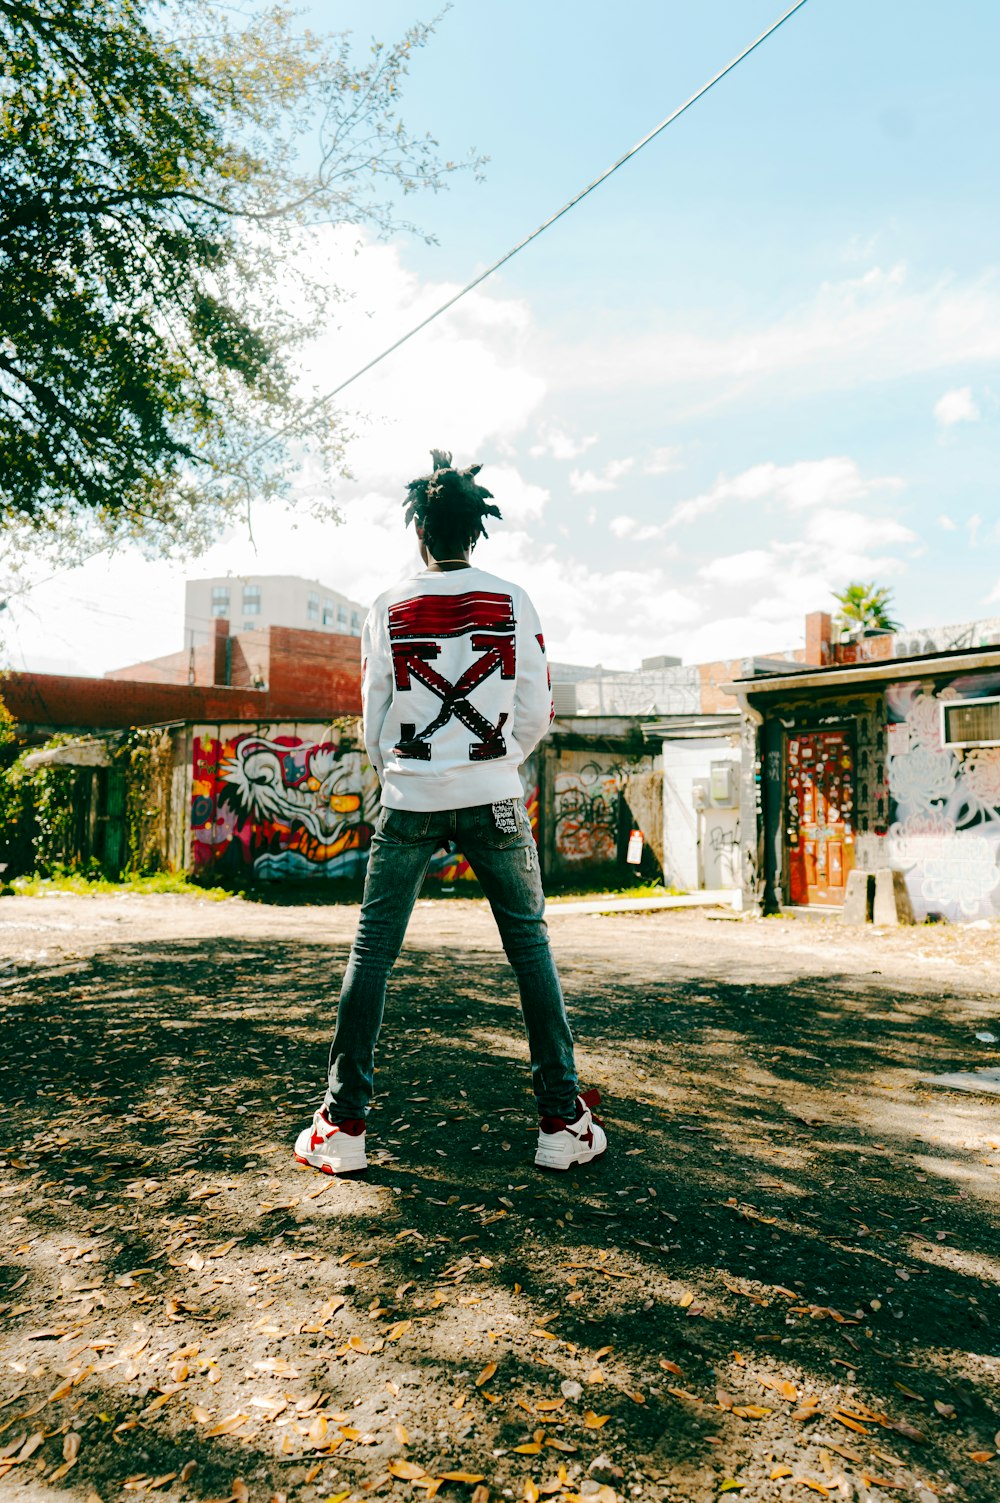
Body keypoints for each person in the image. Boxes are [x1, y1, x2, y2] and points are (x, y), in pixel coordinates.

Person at [294, 450, 606, 1176]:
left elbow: (374, 714)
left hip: (409, 798)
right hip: (495, 796)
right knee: (530, 949)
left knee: (372, 952)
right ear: (476, 531)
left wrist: (408, 771)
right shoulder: (513, 598)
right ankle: (562, 1120)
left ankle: (343, 1128)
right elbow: (534, 710)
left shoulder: (388, 606)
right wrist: (494, 763)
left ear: (420, 531)